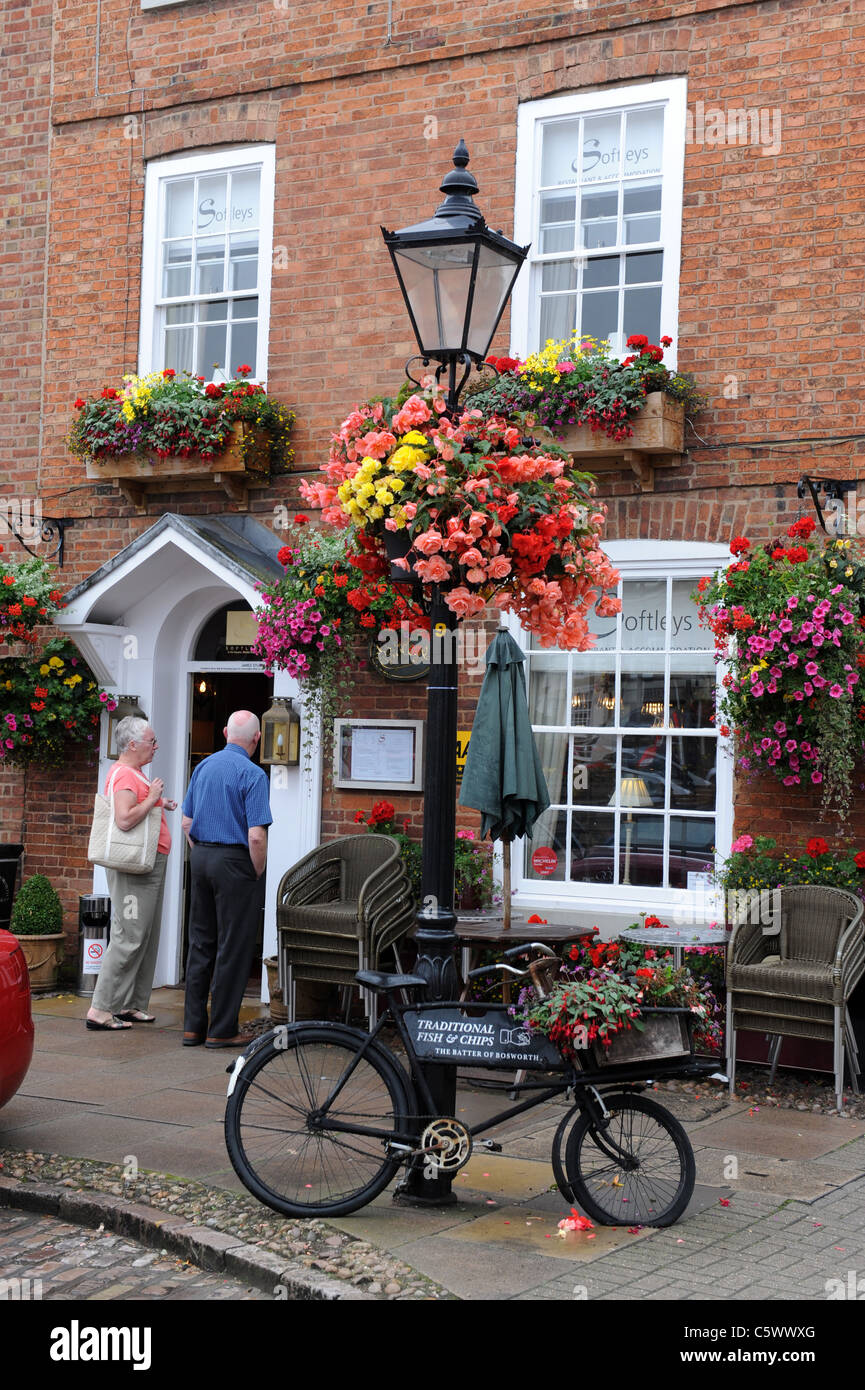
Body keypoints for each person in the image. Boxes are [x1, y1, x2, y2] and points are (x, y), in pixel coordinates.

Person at [180, 709, 272, 1049]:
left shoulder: (203, 767)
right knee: (233, 945)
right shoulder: (253, 774)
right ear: (257, 739)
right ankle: (221, 1029)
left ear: (224, 732)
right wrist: (256, 870)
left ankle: (192, 1027)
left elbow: (187, 823)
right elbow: (257, 836)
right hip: (235, 861)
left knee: (201, 941)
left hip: (201, 857)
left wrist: (202, 851)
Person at [86, 718, 177, 1031]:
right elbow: (124, 819)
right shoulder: (124, 773)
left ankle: (130, 1004)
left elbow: (136, 807)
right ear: (133, 745)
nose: (156, 746)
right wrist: (153, 798)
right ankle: (100, 1009)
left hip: (148, 865)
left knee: (145, 935)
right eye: (152, 741)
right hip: (133, 869)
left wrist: (158, 801)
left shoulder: (133, 774)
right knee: (130, 936)